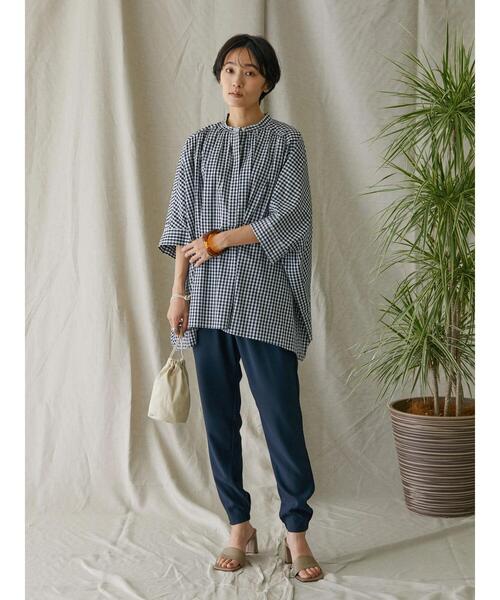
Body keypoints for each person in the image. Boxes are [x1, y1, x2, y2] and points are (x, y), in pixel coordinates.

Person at [158, 34, 323, 583]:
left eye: (249, 71)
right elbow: (181, 225)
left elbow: (289, 218)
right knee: (220, 421)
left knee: (281, 420)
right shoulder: (198, 145)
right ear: (218, 76)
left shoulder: (286, 142)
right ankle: (239, 525)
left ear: (266, 81)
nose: (237, 80)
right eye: (229, 69)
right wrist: (179, 291)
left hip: (264, 302)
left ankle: (296, 532)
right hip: (206, 303)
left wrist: (219, 240)